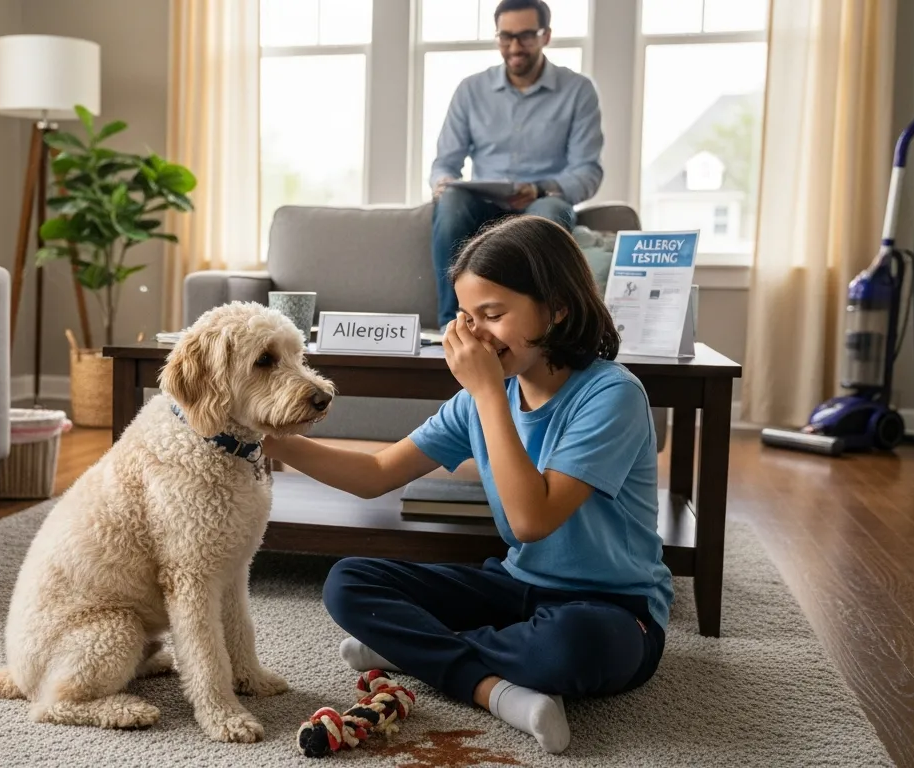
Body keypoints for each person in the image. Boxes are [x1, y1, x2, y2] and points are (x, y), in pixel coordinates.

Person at [261, 216, 671, 755]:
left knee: (573, 649)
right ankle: (495, 691)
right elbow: (377, 474)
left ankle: (414, 650)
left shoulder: (610, 395)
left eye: (494, 315)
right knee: (348, 582)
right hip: (516, 588)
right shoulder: (480, 401)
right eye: (467, 316)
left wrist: (487, 395)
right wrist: (272, 442)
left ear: (557, 308)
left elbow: (532, 520)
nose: (475, 332)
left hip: (613, 607)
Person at [429, 0, 604, 332]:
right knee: (450, 201)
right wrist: (442, 181)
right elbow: (444, 163)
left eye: (525, 36)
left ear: (546, 36)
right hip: (482, 207)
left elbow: (587, 173)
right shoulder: (471, 90)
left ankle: (539, 329)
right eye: (505, 37)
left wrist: (539, 188)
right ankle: (452, 327)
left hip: (543, 201)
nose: (514, 47)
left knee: (548, 213)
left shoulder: (578, 91)